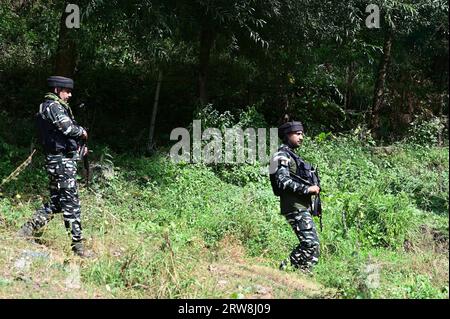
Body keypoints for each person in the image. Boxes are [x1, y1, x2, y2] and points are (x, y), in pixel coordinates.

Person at [17, 76, 92, 258]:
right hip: (60, 163)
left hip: (60, 160)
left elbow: (61, 136)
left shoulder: (52, 106)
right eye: (67, 91)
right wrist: (81, 131)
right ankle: (78, 247)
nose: (70, 94)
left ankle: (27, 229)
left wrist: (77, 150)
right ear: (58, 90)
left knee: (58, 201)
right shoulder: (53, 106)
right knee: (71, 203)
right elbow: (67, 129)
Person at [270, 121, 320, 271]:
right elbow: (282, 181)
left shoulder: (291, 156)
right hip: (293, 206)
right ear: (287, 135)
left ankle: (302, 272)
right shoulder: (280, 155)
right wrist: (307, 189)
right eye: (297, 134)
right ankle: (284, 268)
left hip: (301, 205)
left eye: (302, 133)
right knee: (310, 243)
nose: (302, 137)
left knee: (313, 244)